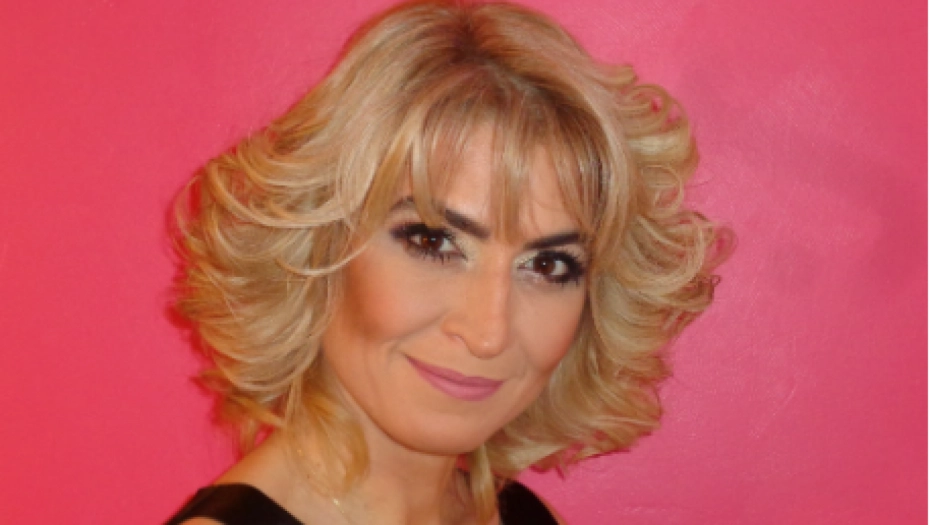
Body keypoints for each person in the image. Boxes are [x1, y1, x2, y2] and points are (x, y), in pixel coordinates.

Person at [167, 1, 728, 523]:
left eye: (548, 266)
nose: (488, 333)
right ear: (319, 243)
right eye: (433, 242)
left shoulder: (522, 515)